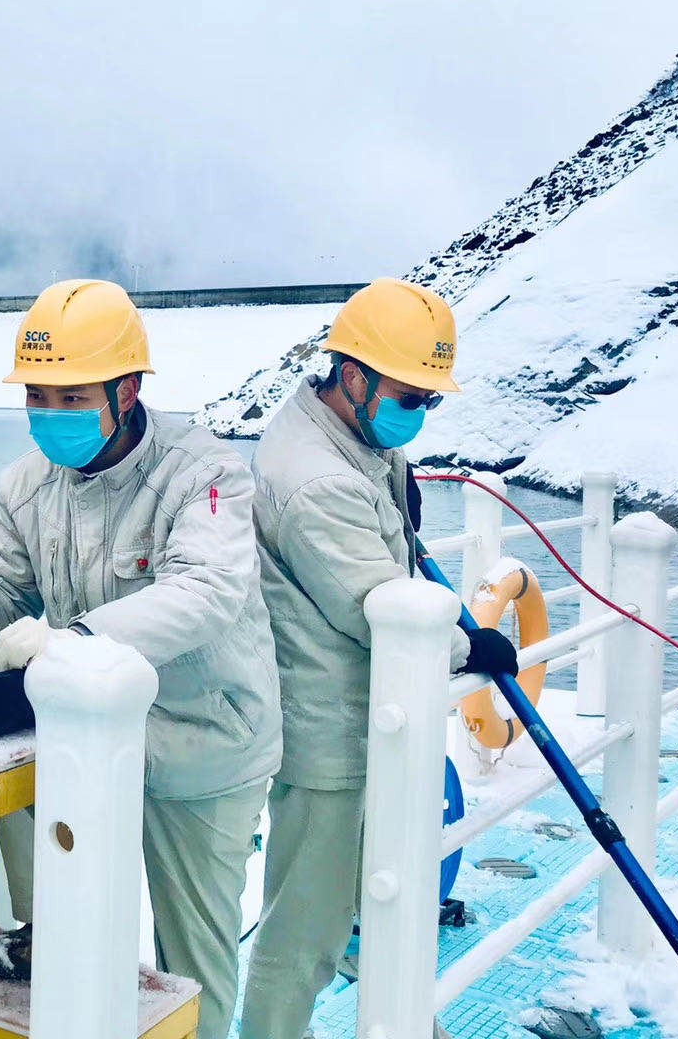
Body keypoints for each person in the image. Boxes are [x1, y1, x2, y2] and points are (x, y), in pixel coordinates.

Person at [0, 279, 281, 1039]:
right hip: (85, 750)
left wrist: (72, 639)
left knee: (194, 971)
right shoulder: (25, 486)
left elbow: (205, 588)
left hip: (203, 746)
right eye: (38, 396)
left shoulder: (204, 476)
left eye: (73, 397)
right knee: (71, 943)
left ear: (127, 390)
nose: (51, 413)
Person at [239, 278, 519, 1039]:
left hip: (365, 716)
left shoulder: (347, 436)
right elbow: (377, 608)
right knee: (306, 928)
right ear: (352, 375)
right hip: (326, 728)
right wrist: (469, 646)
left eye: (428, 400)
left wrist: (399, 500)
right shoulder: (317, 479)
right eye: (407, 396)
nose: (417, 413)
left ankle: (398, 1020)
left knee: (373, 897)